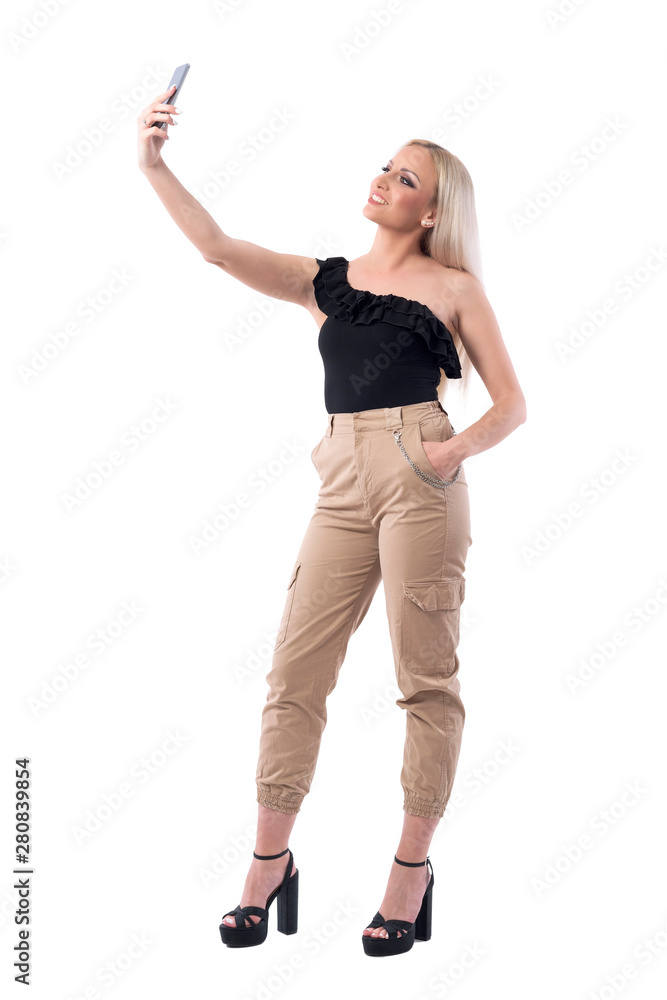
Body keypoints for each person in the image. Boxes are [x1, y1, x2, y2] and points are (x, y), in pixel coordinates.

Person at [138, 84, 527, 958]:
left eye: (405, 178)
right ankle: (267, 865)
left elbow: (511, 405)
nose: (384, 180)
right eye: (385, 167)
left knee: (424, 680)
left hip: (421, 471)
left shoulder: (454, 287)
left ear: (432, 212)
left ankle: (408, 875)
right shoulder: (328, 282)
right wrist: (153, 164)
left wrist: (445, 454)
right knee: (293, 674)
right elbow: (215, 248)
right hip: (340, 476)